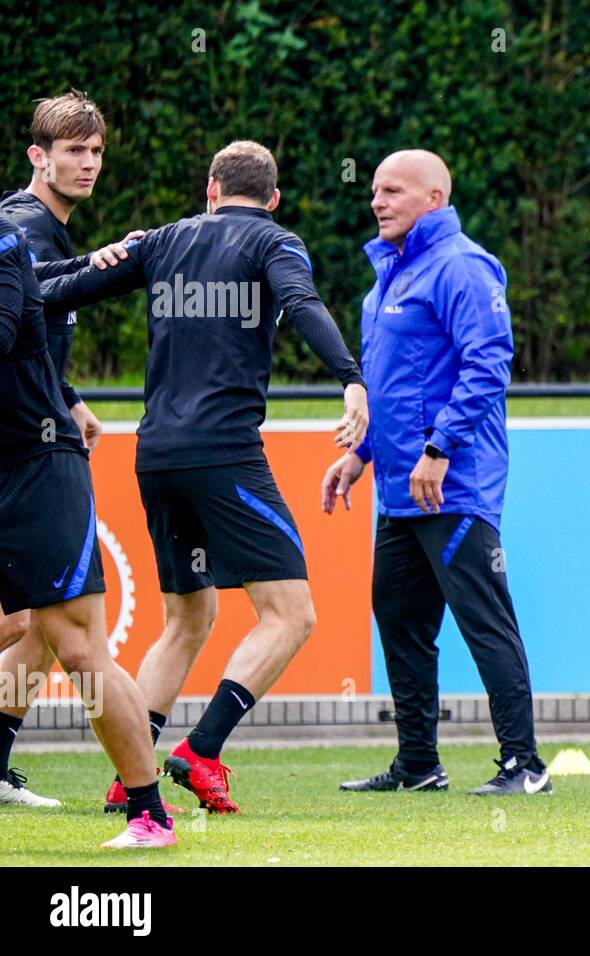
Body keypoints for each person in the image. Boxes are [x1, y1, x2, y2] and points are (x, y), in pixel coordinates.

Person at [40, 140, 369, 814]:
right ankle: (201, 749)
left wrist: (24, 273)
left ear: (211, 189)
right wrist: (351, 379)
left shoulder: (161, 241)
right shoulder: (274, 242)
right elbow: (303, 305)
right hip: (224, 454)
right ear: (272, 199)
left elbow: (57, 291)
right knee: (291, 613)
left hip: (155, 456)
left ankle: (129, 773)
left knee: (189, 616)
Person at [322, 150, 548, 796]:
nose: (377, 200)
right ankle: (418, 764)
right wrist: (358, 456)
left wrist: (442, 447)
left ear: (434, 198)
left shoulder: (462, 266)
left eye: (393, 190)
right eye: (374, 190)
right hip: (398, 492)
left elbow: (489, 362)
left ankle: (525, 766)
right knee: (400, 621)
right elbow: (395, 393)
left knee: (485, 620)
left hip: (454, 485)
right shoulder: (388, 276)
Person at [0, 210, 175, 848]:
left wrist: (106, 263)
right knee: (24, 630)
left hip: (38, 471)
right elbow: (46, 284)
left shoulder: (4, 241)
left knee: (77, 649)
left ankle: (150, 816)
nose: (89, 163)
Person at [0, 89, 140, 809]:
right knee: (56, 633)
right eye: (72, 151)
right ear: (38, 156)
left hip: (36, 434)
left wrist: (72, 397)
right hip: (26, 455)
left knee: (38, 632)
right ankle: (147, 804)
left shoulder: (36, 228)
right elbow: (39, 291)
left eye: (95, 152)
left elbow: (27, 329)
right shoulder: (23, 224)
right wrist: (97, 268)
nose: (86, 164)